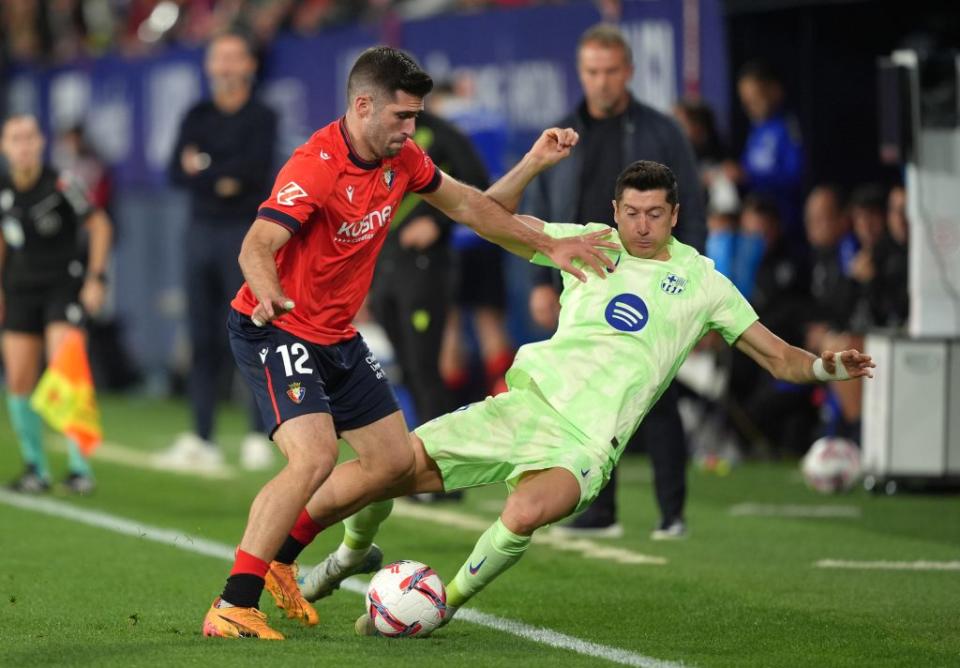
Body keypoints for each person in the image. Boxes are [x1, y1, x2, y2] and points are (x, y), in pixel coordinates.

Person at [276, 155, 873, 635]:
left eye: (655, 214)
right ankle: (350, 555)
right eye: (632, 212)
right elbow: (490, 214)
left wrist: (825, 367)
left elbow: (780, 358)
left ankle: (443, 604)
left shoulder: (704, 284)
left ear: (675, 214)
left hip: (587, 440)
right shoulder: (588, 242)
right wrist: (536, 161)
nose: (642, 225)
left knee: (528, 511)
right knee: (388, 469)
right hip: (524, 407)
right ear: (615, 210)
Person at [200, 46, 616, 641]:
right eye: (401, 116)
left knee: (393, 462)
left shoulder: (405, 159)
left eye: (415, 116)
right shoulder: (314, 165)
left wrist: (546, 242)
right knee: (315, 456)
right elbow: (256, 247)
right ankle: (233, 603)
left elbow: (474, 206)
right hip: (278, 326)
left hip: (337, 335)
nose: (410, 129)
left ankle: (281, 559)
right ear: (363, 106)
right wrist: (269, 295)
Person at [525, 23, 706, 539]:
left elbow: (692, 205)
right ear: (581, 72)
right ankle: (599, 512)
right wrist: (541, 280)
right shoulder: (560, 131)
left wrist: (693, 282)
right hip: (584, 279)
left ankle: (672, 514)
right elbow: (537, 208)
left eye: (610, 71)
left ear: (627, 72)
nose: (601, 81)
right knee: (588, 397)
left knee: (659, 394)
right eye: (591, 71)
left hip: (650, 276)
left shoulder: (663, 132)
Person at [156, 32, 278, 473]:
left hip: (244, 237)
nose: (225, 66)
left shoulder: (262, 115)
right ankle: (202, 435)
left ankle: (256, 433)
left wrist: (205, 167)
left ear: (248, 65)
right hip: (199, 232)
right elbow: (175, 170)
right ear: (208, 67)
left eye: (233, 57)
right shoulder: (197, 114)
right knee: (202, 336)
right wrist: (218, 176)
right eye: (217, 58)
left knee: (251, 332)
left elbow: (253, 172)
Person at [1, 114, 113, 494]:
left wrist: (96, 278)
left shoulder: (62, 183)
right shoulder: (3, 189)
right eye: (16, 138)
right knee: (18, 378)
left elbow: (99, 225)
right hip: (19, 289)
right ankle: (36, 468)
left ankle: (80, 469)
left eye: (30, 136)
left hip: (61, 287)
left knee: (65, 371)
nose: (24, 144)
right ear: (5, 147)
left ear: (41, 143)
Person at [736, 61, 805, 244]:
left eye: (756, 98)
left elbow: (795, 176)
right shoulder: (756, 129)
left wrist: (750, 177)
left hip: (785, 226)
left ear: (774, 91)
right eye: (746, 101)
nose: (750, 107)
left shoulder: (788, 127)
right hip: (755, 225)